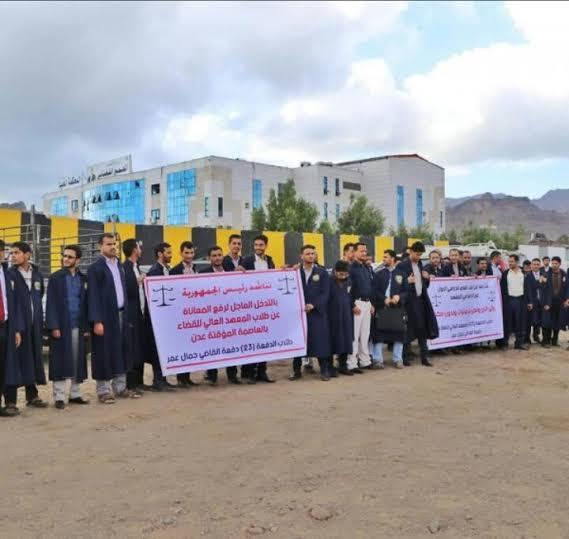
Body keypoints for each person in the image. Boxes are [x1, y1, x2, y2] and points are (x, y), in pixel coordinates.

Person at [87, 233, 131, 404]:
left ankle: (120, 387)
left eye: (114, 244)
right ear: (100, 246)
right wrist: (97, 321)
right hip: (105, 317)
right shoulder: (95, 268)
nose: (113, 247)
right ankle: (104, 391)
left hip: (121, 314)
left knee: (121, 350)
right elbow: (93, 296)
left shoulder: (119, 265)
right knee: (103, 352)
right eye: (109, 244)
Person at [46, 245, 90, 409]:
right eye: (64, 256)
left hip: (78, 326)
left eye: (70, 257)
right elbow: (50, 303)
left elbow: (86, 304)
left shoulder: (83, 279)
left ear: (78, 260)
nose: (66, 259)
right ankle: (59, 396)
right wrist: (54, 326)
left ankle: (75, 394)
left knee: (77, 360)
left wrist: (86, 327)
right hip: (61, 326)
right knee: (59, 360)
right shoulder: (55, 278)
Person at [5, 241, 48, 410]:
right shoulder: (8, 275)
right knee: (13, 362)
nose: (12, 256)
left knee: (33, 358)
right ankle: (10, 401)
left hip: (34, 326)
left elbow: (39, 295)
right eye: (11, 253)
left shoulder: (37, 275)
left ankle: (32, 396)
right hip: (15, 326)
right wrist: (15, 326)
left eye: (16, 252)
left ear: (28, 254)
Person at [199, 246, 241, 385]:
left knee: (231, 345)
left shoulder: (230, 271)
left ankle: (232, 375)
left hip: (229, 316)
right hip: (211, 318)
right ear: (209, 258)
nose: (217, 258)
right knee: (212, 346)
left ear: (223, 256)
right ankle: (212, 376)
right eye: (214, 255)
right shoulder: (203, 274)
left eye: (219, 255)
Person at [290, 245, 332, 381]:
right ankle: (296, 370)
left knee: (320, 341)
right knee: (299, 341)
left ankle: (324, 370)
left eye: (313, 253)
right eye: (307, 253)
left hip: (317, 313)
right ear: (301, 256)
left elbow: (325, 293)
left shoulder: (322, 272)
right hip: (299, 313)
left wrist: (314, 305)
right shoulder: (295, 272)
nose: (311, 256)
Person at [241, 235, 276, 384]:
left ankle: (262, 371)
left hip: (266, 306)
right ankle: (249, 373)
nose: (258, 248)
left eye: (261, 245)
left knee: (265, 340)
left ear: (266, 246)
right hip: (250, 307)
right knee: (251, 340)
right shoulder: (247, 261)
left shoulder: (270, 261)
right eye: (256, 245)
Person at [398, 241, 439, 367]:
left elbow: (423, 284)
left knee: (422, 329)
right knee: (408, 329)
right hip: (409, 303)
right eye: (417, 254)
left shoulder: (420, 264)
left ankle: (425, 357)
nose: (418, 257)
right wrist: (406, 281)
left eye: (420, 254)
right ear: (410, 252)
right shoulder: (402, 266)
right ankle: (404, 357)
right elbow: (397, 284)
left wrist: (427, 278)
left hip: (421, 301)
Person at [146, 242, 178, 391]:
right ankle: (158, 381)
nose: (171, 255)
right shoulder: (154, 271)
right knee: (157, 350)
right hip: (157, 319)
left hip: (165, 318)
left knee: (163, 350)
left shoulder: (166, 269)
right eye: (168, 252)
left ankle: (162, 380)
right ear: (160, 254)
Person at [170, 241, 198, 388]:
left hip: (193, 313)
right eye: (186, 253)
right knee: (181, 346)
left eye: (191, 253)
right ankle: (181, 378)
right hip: (180, 314)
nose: (189, 255)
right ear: (181, 253)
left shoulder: (196, 269)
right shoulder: (174, 270)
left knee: (190, 346)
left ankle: (187, 377)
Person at [371, 249, 405, 369]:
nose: (383, 259)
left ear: (393, 258)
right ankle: (378, 360)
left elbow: (407, 291)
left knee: (399, 334)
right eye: (383, 257)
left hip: (397, 308)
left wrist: (399, 297)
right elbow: (374, 291)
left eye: (386, 257)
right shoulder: (378, 274)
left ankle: (398, 359)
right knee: (379, 334)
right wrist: (383, 298)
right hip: (382, 307)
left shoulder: (402, 273)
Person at [0, 240, 23, 417]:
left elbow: (14, 304)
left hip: (7, 326)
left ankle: (10, 402)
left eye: (1, 250)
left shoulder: (8, 275)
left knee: (8, 365)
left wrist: (16, 330)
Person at [122, 239, 147, 396]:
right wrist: (136, 282)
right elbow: (124, 290)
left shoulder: (136, 267)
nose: (140, 250)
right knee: (131, 350)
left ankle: (139, 382)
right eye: (139, 247)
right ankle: (131, 384)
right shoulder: (124, 268)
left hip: (140, 313)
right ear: (134, 250)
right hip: (131, 314)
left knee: (139, 349)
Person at [347, 242, 374, 373]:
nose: (364, 253)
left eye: (365, 251)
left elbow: (369, 287)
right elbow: (347, 290)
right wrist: (352, 305)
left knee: (365, 334)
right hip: (356, 303)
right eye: (361, 251)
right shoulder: (350, 268)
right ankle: (351, 363)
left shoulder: (366, 267)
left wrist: (371, 303)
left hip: (367, 303)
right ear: (354, 252)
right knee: (354, 335)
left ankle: (365, 360)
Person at [328, 260, 354, 376]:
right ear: (335, 271)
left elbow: (350, 296)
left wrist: (353, 306)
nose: (343, 276)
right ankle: (330, 367)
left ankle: (343, 365)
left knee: (346, 340)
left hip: (346, 315)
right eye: (340, 274)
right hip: (332, 316)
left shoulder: (349, 281)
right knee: (332, 341)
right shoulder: (328, 281)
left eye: (345, 274)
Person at [500, 254, 530, 350]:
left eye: (512, 261)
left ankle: (519, 344)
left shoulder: (524, 273)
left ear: (517, 262)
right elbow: (502, 289)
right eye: (509, 261)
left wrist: (529, 301)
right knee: (507, 322)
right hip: (509, 301)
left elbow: (528, 288)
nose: (510, 263)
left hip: (521, 301)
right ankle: (504, 343)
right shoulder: (505, 274)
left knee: (520, 322)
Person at [542, 256, 566, 347]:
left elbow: (566, 288)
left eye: (556, 263)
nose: (554, 265)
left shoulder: (564, 274)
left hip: (559, 302)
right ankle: (546, 341)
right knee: (547, 322)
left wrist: (566, 300)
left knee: (557, 322)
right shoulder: (546, 274)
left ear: (559, 264)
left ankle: (555, 340)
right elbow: (543, 290)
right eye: (552, 263)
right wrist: (545, 303)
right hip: (548, 302)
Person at [526, 258, 549, 346]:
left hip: (542, 302)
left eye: (537, 264)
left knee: (542, 321)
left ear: (540, 265)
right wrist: (529, 301)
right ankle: (527, 340)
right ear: (531, 265)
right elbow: (528, 289)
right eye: (534, 264)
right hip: (532, 302)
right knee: (530, 321)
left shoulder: (544, 274)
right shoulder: (527, 275)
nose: (536, 266)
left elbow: (548, 289)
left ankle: (541, 339)